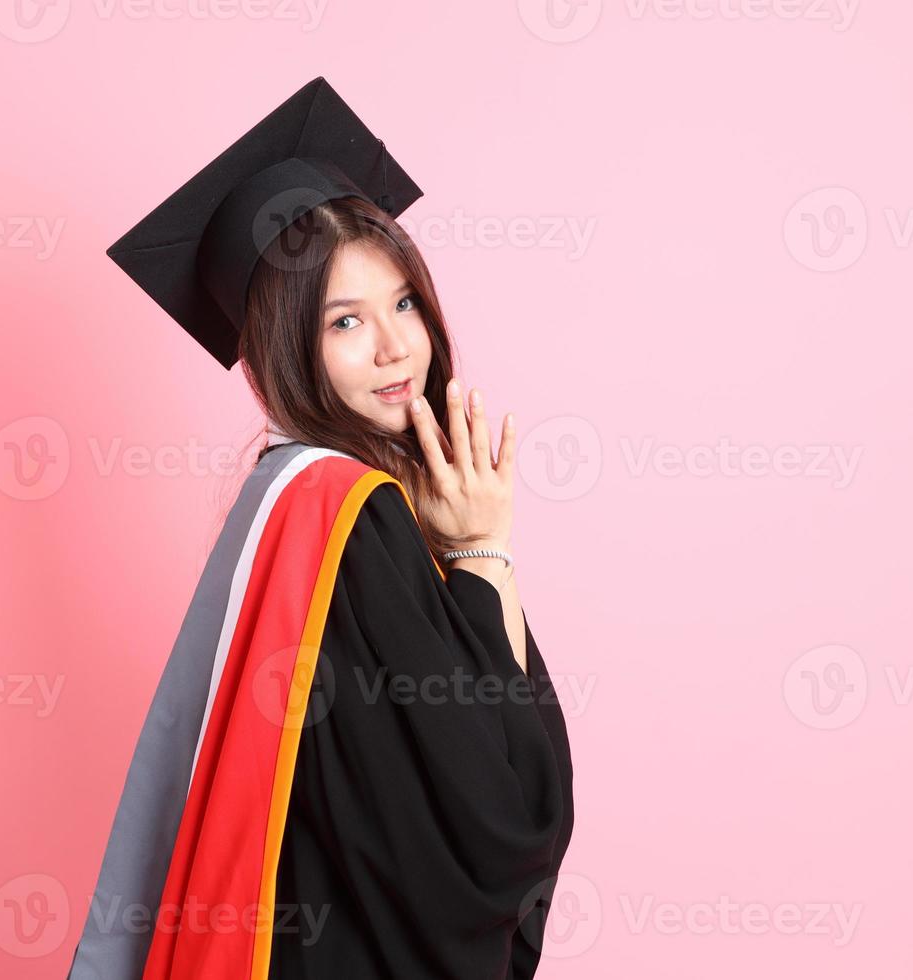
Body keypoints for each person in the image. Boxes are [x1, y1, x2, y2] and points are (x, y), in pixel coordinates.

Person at [67, 76, 574, 980]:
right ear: (281, 346)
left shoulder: (281, 502)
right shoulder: (352, 516)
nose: (395, 349)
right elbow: (493, 825)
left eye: (404, 304)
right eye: (346, 321)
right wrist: (482, 549)